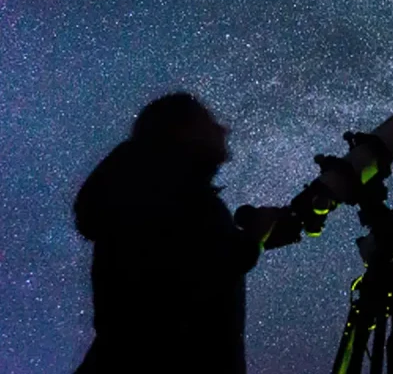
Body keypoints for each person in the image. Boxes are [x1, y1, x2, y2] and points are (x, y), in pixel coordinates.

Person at [73, 92, 281, 374]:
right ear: (183, 133)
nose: (223, 129)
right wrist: (254, 235)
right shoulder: (181, 199)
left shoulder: (135, 196)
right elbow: (213, 269)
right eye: (209, 123)